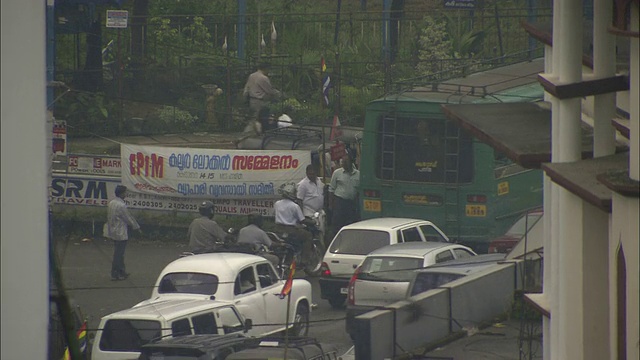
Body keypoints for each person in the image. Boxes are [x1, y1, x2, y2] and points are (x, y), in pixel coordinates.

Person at [105, 185, 141, 281]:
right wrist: (136, 227)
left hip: (113, 230)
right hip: (120, 231)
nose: (126, 194)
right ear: (121, 193)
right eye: (125, 192)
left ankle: (121, 271)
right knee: (119, 254)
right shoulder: (121, 205)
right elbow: (128, 218)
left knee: (118, 252)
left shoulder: (111, 203)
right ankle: (116, 273)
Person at [274, 183, 313, 264]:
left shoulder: (277, 204)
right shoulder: (294, 206)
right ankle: (304, 260)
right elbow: (302, 220)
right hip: (291, 231)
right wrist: (312, 222)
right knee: (308, 236)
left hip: (278, 230)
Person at [328, 154, 360, 237]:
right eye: (343, 162)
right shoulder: (337, 173)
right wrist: (331, 205)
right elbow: (331, 189)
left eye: (346, 162)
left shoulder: (358, 174)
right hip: (339, 202)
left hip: (351, 203)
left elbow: (358, 191)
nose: (344, 164)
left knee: (350, 224)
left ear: (351, 162)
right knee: (337, 225)